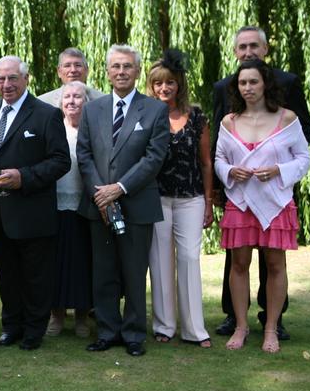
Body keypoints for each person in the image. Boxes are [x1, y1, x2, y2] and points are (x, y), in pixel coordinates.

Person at [211, 26, 310, 340]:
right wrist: (226, 176)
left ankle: (273, 323)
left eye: (253, 45)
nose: (248, 52)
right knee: (236, 260)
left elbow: (302, 143)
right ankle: (236, 321)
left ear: (265, 49)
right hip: (239, 195)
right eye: (242, 47)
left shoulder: (288, 93)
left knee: (274, 261)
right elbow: (219, 146)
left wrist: (279, 169)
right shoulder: (224, 92)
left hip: (275, 193)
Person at [76, 45, 170, 357]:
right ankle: (106, 331)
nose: (121, 72)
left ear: (137, 71)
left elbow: (154, 158)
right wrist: (101, 195)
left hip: (136, 205)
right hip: (99, 205)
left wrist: (119, 188)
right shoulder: (93, 110)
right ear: (107, 71)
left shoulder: (155, 110)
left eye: (127, 66)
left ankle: (132, 334)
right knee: (103, 272)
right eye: (115, 66)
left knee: (133, 272)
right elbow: (85, 155)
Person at [0, 57, 70, 351]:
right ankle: (11, 325)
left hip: (31, 210)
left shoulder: (45, 114)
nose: (7, 85)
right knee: (6, 272)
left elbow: (61, 161)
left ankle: (33, 330)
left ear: (26, 79)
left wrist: (24, 177)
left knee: (35, 274)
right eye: (2, 79)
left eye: (13, 78)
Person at [146, 50, 214, 347]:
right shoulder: (145, 114)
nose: (164, 89)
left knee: (188, 258)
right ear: (152, 86)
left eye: (170, 83)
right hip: (156, 198)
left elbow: (206, 162)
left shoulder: (197, 115)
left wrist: (209, 201)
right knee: (159, 262)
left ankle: (194, 330)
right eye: (158, 84)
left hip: (191, 197)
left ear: (179, 84)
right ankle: (164, 326)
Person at [47, 81, 93, 338]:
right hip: (55, 205)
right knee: (56, 264)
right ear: (61, 102)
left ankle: (82, 318)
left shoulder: (93, 129)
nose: (72, 101)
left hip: (84, 206)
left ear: (86, 102)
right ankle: (56, 315)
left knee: (83, 263)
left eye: (78, 96)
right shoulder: (53, 129)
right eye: (68, 97)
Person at [37, 48, 105, 107]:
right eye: (67, 65)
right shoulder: (42, 102)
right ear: (59, 72)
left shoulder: (103, 100)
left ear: (87, 70)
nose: (73, 70)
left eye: (78, 65)